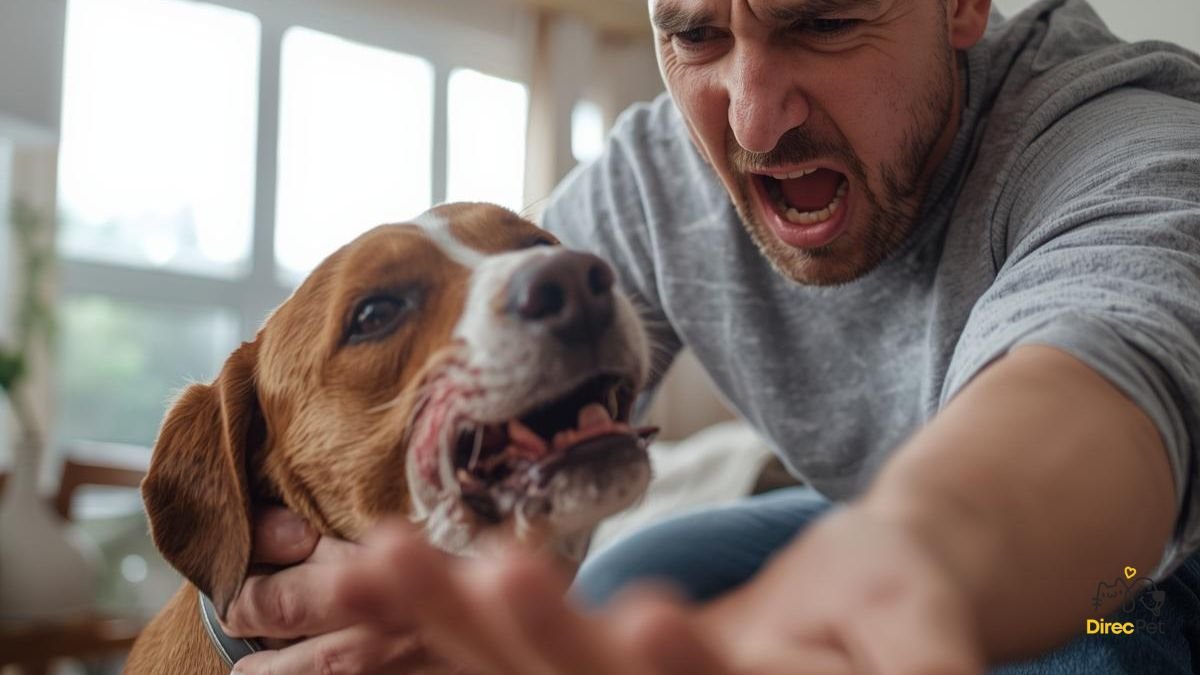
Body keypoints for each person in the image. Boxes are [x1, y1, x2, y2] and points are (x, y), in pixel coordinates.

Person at [220, 0, 1200, 673]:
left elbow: (1093, 379)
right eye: (695, 34)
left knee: (1084, 640)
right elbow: (501, 395)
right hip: (860, 514)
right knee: (628, 585)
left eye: (822, 20)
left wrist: (918, 554)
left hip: (1133, 549)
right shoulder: (656, 186)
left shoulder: (1119, 144)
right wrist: (384, 601)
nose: (756, 119)